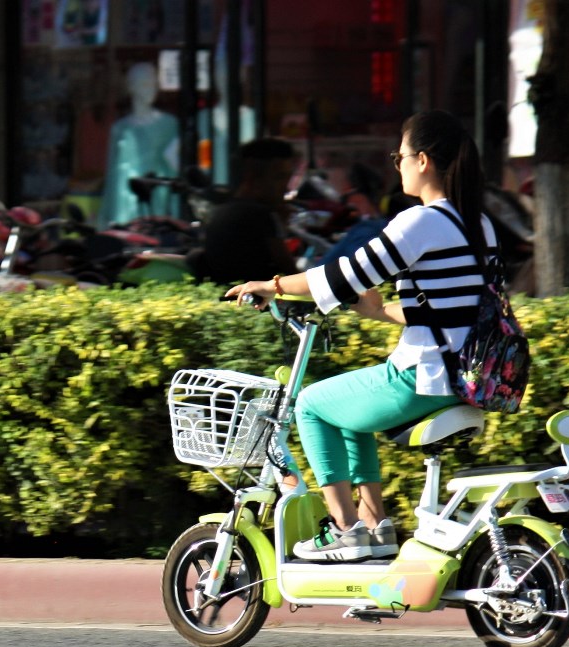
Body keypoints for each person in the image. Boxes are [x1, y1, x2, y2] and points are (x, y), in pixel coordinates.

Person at [225, 110, 498, 562]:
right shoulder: (478, 223)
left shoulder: (422, 222)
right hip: (464, 375)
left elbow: (342, 276)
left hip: (424, 377)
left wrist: (270, 286)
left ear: (424, 160)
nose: (399, 165)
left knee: (311, 405)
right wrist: (376, 312)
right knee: (349, 412)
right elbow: (450, 310)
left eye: (401, 156)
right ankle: (376, 527)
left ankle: (345, 529)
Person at [197, 138, 298, 284]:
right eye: (279, 177)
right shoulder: (261, 215)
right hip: (257, 301)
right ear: (251, 177)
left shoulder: (222, 211)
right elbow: (291, 274)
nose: (286, 187)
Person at [98, 62, 179, 228]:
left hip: (155, 198)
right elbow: (112, 173)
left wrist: (176, 212)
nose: (151, 89)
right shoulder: (120, 128)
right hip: (124, 202)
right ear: (131, 87)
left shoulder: (169, 124)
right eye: (144, 83)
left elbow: (174, 169)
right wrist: (106, 215)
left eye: (154, 83)